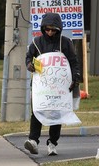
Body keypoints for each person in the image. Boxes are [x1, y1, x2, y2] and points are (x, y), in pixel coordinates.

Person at [24, 12, 80, 156]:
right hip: (41, 85)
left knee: (56, 113)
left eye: (53, 30)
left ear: (58, 29)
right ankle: (33, 141)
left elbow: (73, 62)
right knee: (37, 110)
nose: (50, 32)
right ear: (43, 28)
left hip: (60, 85)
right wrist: (29, 64)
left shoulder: (65, 42)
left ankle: (52, 142)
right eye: (47, 29)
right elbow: (28, 57)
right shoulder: (36, 42)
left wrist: (75, 78)